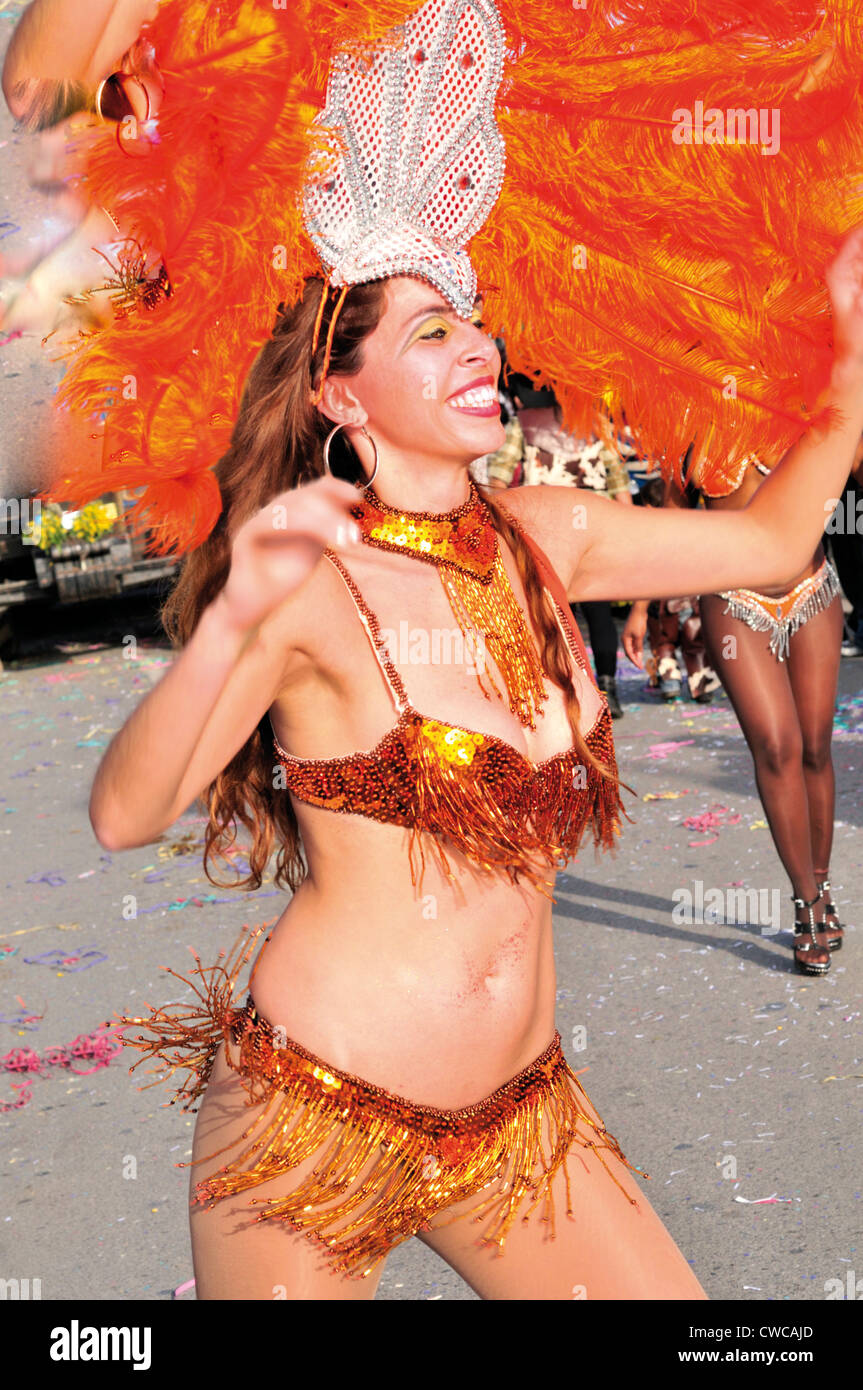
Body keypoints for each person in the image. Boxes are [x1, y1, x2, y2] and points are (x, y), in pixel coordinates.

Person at [11, 0, 863, 1305]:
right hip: (312, 1125)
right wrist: (233, 616)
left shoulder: (550, 536)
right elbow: (129, 811)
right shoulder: (308, 583)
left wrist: (849, 360)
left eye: (469, 323)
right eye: (427, 332)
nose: (475, 346)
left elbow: (769, 534)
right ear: (340, 399)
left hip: (523, 1122)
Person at [624, 441, 855, 977]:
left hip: (812, 587)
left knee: (816, 746)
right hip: (731, 598)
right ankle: (806, 903)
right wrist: (641, 604)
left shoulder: (802, 392)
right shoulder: (683, 417)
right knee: (777, 746)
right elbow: (669, 520)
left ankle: (820, 882)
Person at [485, 376, 633, 718]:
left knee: (549, 616)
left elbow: (497, 482)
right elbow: (621, 490)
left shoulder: (523, 424)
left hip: (544, 535)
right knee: (598, 616)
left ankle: (563, 691)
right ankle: (607, 687)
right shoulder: (599, 428)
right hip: (594, 535)